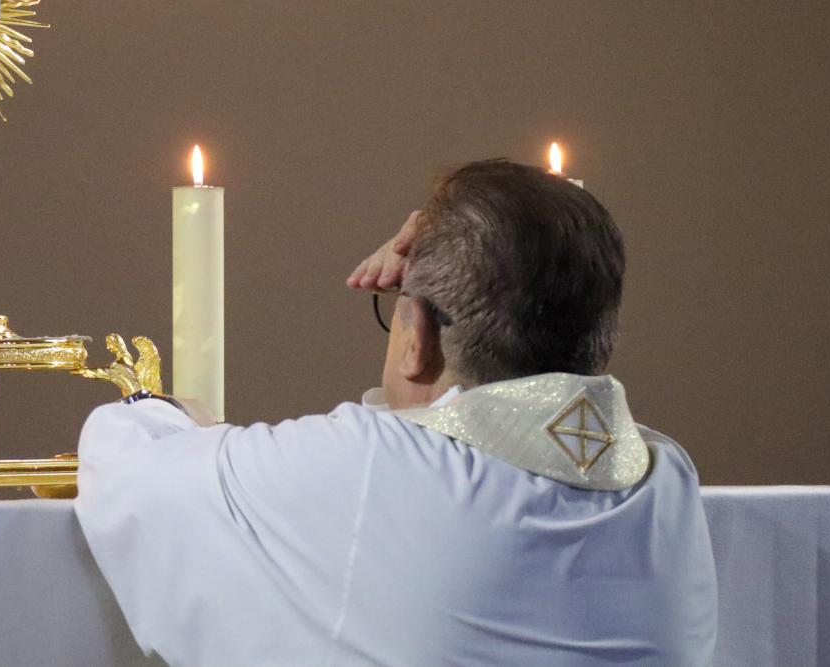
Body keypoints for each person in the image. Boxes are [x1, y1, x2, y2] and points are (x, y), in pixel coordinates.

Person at [75, 159, 718, 667]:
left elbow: (128, 468)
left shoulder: (365, 468)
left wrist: (168, 410)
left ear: (420, 341)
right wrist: (475, 260)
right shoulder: (665, 481)